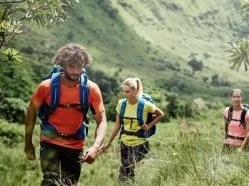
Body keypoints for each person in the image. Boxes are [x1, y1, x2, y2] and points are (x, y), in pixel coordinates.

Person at [24, 43, 107, 186]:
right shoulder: (46, 87)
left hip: (75, 144)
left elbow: (102, 121)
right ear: (63, 65)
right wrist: (28, 143)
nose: (75, 71)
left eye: (79, 67)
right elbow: (31, 113)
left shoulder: (91, 89)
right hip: (50, 141)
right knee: (50, 182)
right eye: (71, 66)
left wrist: (95, 147)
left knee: (69, 183)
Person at [100, 77, 164, 182]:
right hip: (124, 143)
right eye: (123, 91)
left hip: (140, 144)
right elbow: (117, 125)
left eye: (128, 91)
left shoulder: (145, 105)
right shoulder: (121, 103)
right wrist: (108, 143)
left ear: (135, 90)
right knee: (129, 173)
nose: (125, 94)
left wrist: (149, 126)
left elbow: (160, 114)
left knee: (123, 169)